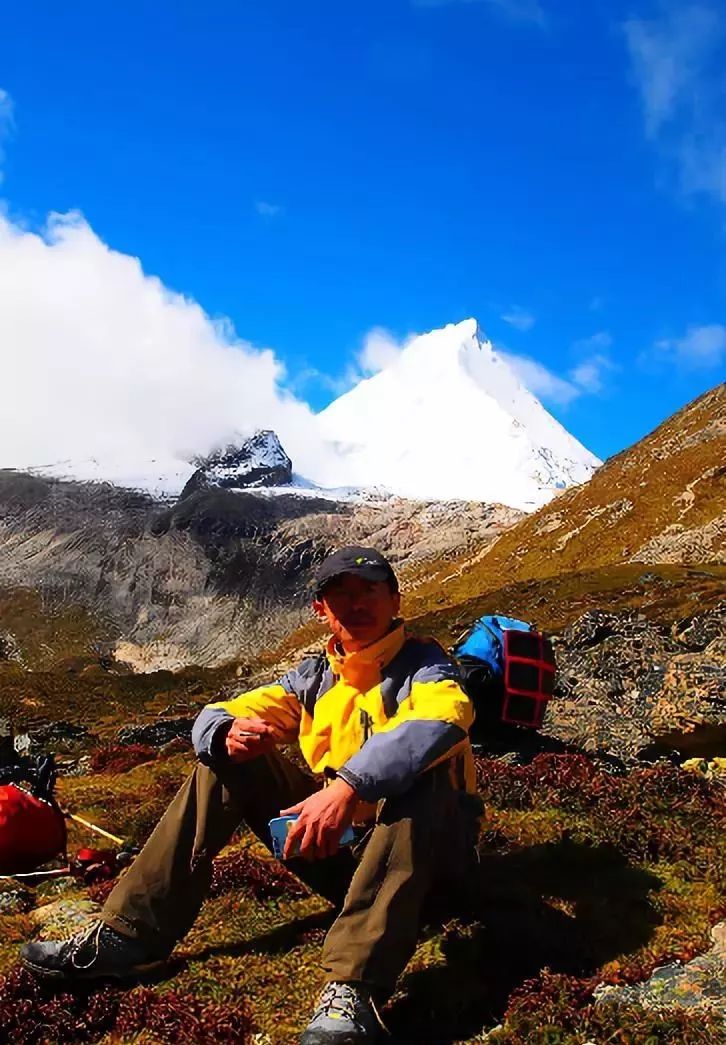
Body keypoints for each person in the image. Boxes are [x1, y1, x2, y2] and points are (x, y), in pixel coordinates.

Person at [21, 546, 481, 1044]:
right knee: (227, 758)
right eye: (339, 594)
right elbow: (221, 710)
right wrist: (225, 733)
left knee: (422, 780)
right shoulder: (314, 679)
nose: (356, 603)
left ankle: (354, 987)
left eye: (369, 590)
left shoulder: (428, 666)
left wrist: (350, 785)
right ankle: (129, 935)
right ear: (320, 611)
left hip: (434, 871)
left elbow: (442, 719)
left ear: (395, 599)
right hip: (345, 856)